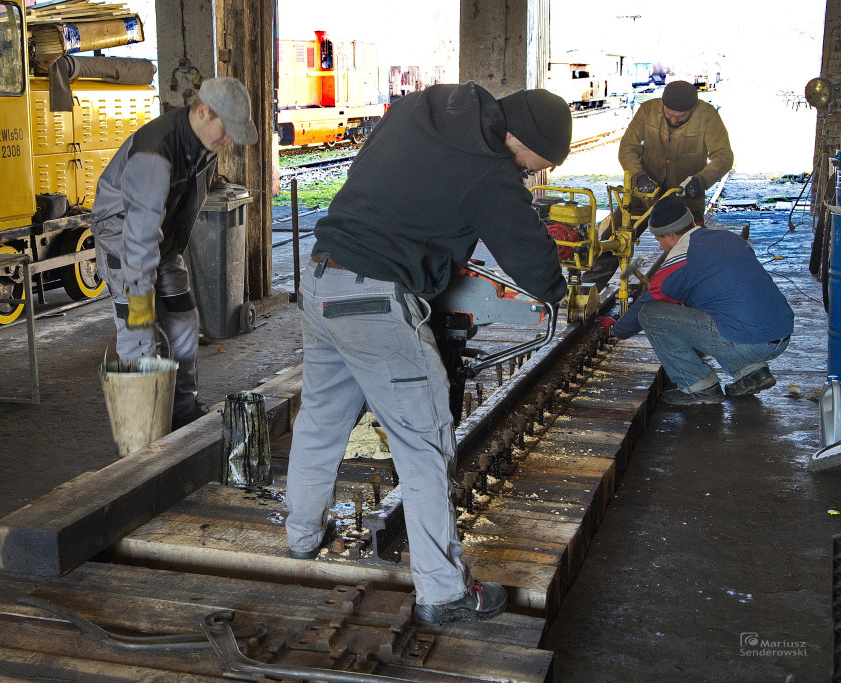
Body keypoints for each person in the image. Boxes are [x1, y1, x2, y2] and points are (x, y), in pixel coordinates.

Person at [283, 83, 570, 624]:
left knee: (321, 420)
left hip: (321, 277)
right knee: (423, 444)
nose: (533, 175)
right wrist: (563, 289)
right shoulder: (490, 171)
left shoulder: (426, 106)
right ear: (523, 140)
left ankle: (301, 538)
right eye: (538, 165)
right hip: (376, 300)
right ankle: (443, 593)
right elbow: (530, 258)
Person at [90, 77, 258, 430]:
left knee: (182, 320)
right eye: (226, 129)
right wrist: (140, 299)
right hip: (126, 244)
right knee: (141, 334)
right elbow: (138, 236)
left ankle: (181, 411)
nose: (228, 138)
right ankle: (143, 433)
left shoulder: (203, 145)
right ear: (203, 111)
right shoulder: (155, 153)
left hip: (161, 243)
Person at [598, 196, 793, 405]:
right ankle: (751, 373)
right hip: (781, 332)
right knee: (716, 308)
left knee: (651, 315)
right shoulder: (727, 238)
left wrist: (616, 329)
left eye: (659, 240)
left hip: (750, 342)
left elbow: (646, 305)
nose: (661, 246)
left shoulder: (680, 259)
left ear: (672, 235)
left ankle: (699, 386)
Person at [585, 80, 734, 289]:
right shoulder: (647, 110)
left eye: (681, 117)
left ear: (693, 109)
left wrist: (700, 180)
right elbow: (628, 147)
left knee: (690, 251)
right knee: (613, 239)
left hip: (685, 199)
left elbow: (723, 156)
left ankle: (685, 293)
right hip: (643, 194)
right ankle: (588, 289)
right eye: (669, 114)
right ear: (662, 104)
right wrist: (638, 175)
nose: (674, 119)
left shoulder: (708, 115)